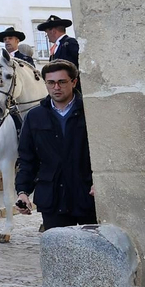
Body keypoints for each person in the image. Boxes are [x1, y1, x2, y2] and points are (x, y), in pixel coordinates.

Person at [15, 60, 97, 230]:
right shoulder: (34, 117)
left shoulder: (91, 112)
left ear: (74, 82)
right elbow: (27, 159)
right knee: (59, 247)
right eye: (51, 83)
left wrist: (102, 182)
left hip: (88, 196)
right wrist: (22, 192)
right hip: (53, 199)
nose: (56, 87)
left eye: (62, 82)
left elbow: (107, 153)